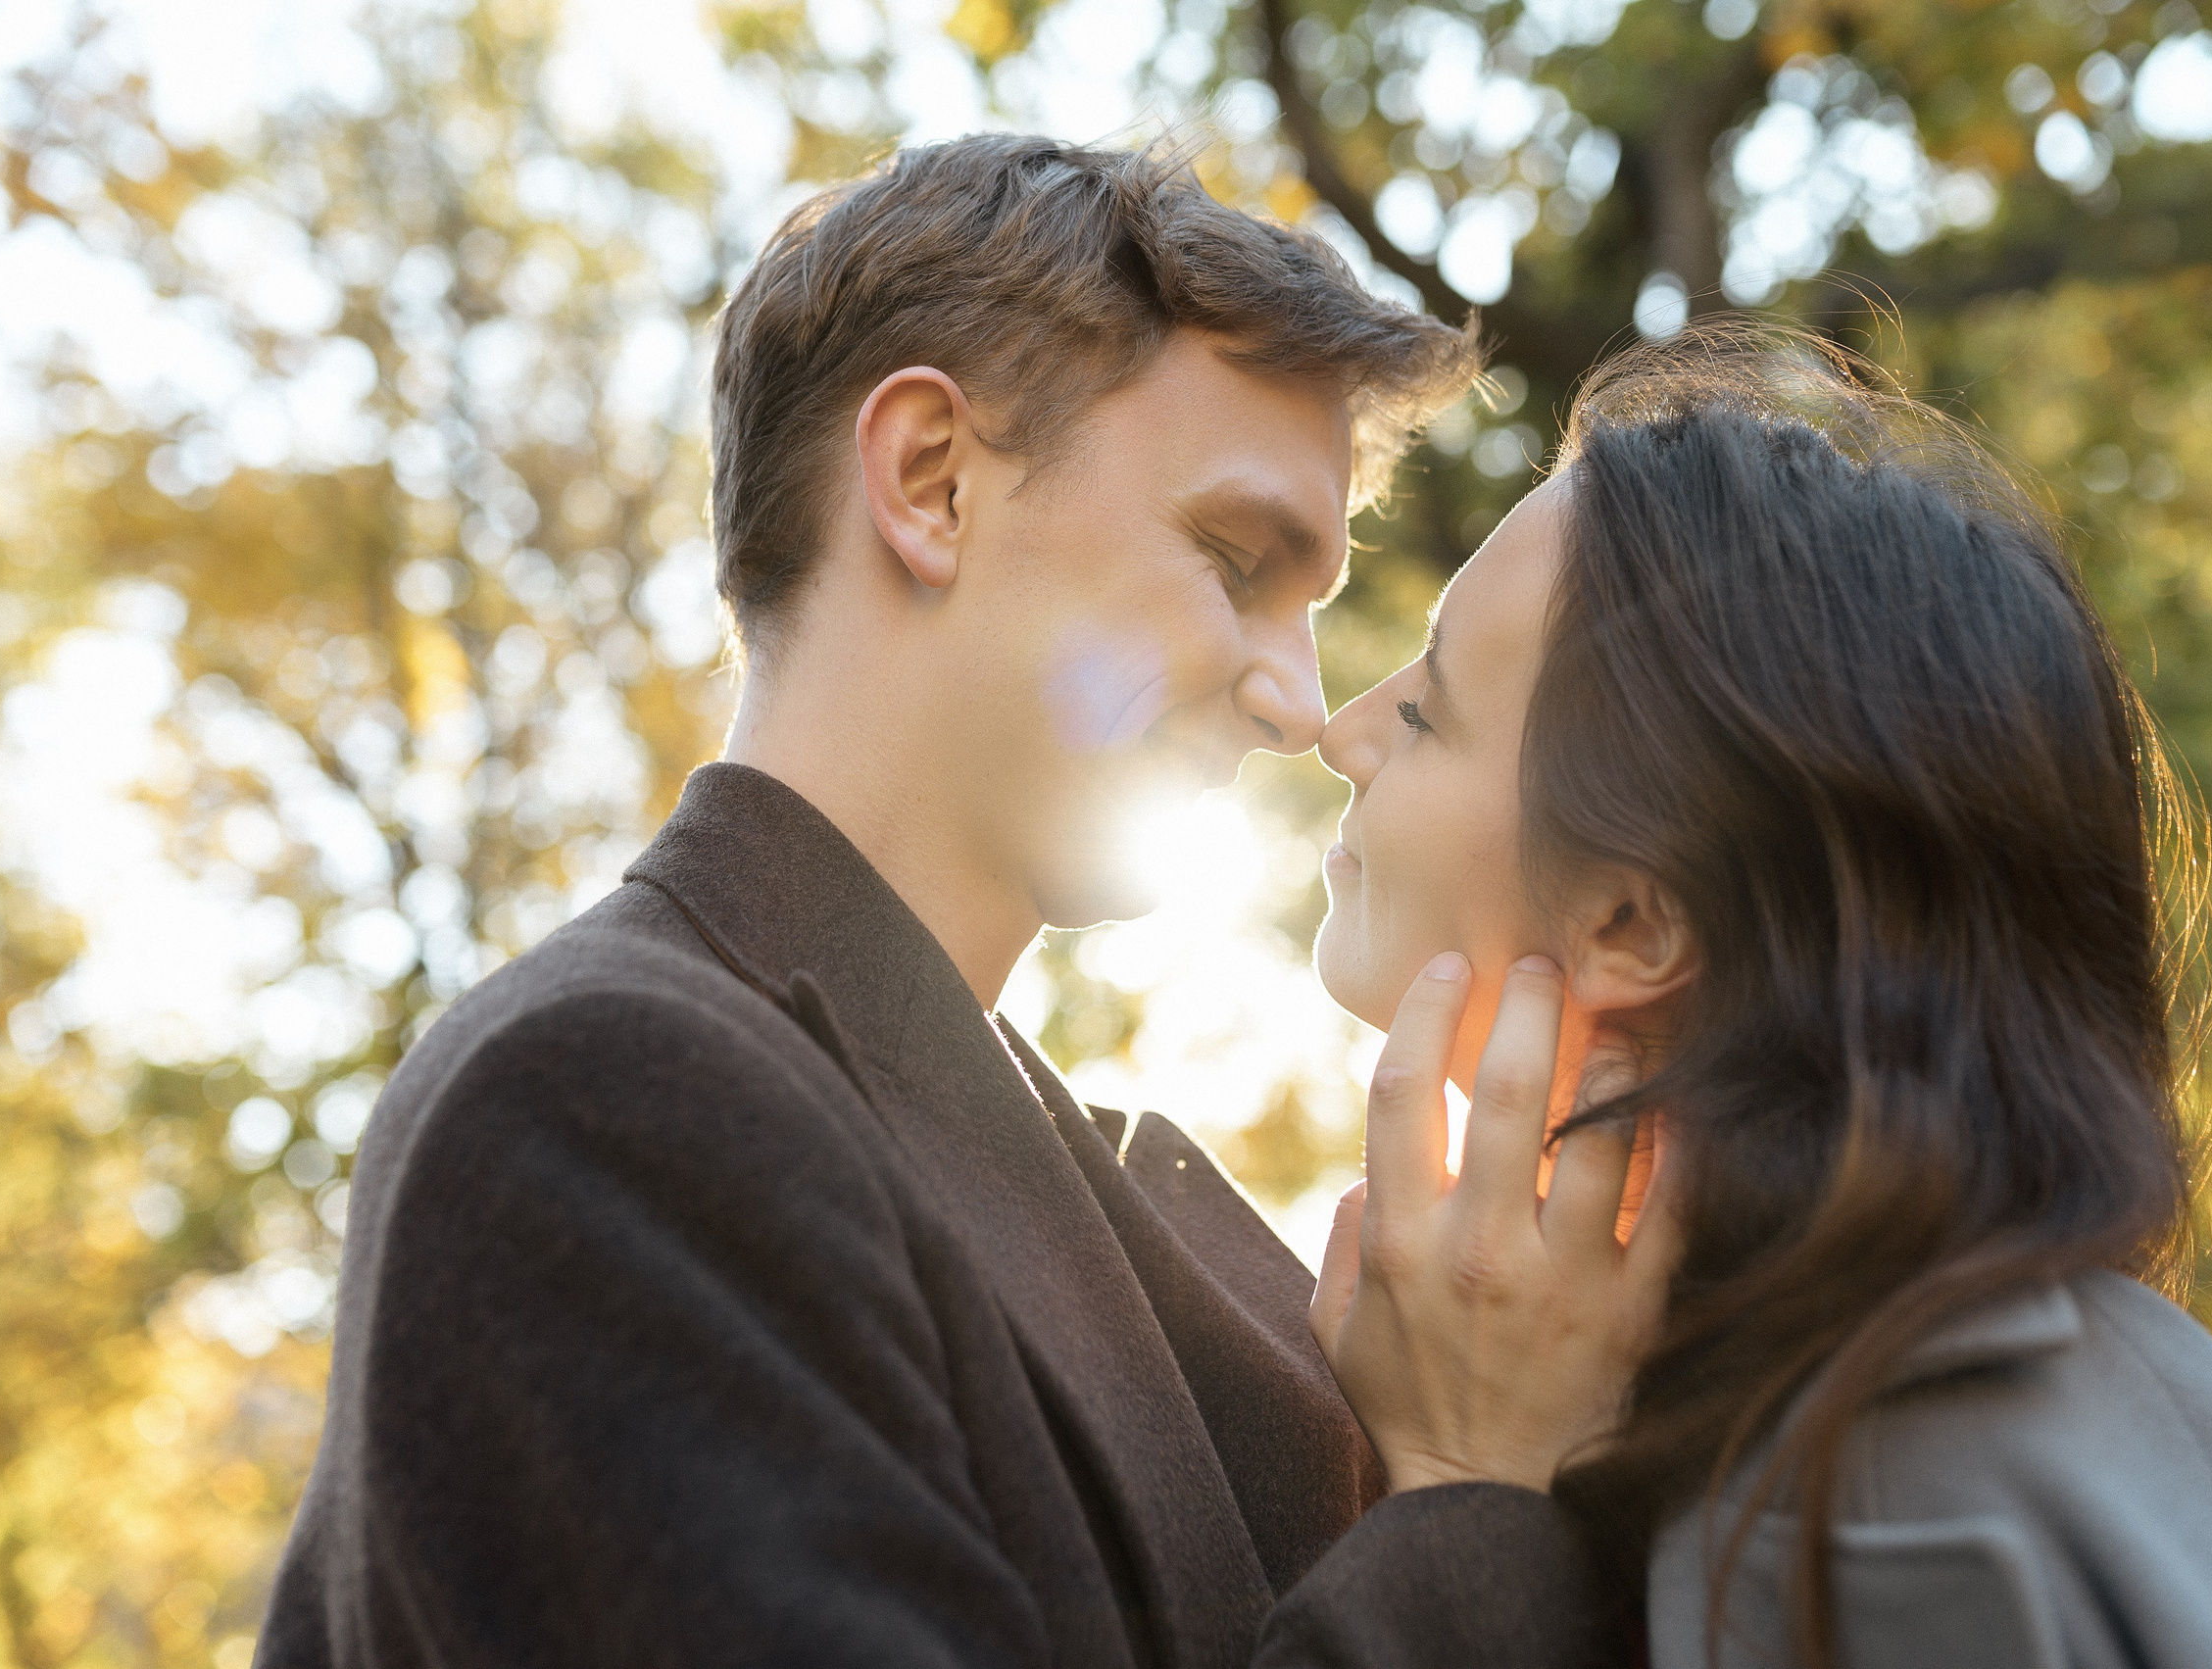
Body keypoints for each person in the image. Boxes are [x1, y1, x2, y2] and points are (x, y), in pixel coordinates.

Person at [258, 135, 1663, 1668]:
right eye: (1236, 560)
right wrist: (1468, 1502)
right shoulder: (603, 1106)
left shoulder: (1107, 1189)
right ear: (930, 481)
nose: (1300, 704)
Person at [1303, 330, 2212, 1668]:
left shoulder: (1867, 1523)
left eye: (1429, 713)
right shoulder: (2071, 1382)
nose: (1343, 728)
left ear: (1632, 919)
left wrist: (1460, 1496)